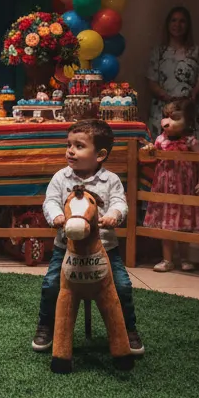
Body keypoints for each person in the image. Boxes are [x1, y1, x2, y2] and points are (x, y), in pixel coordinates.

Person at [31, 119, 143, 356]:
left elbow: (120, 204)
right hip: (66, 248)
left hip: (104, 248)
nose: (70, 150)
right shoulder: (61, 178)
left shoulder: (110, 180)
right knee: (51, 284)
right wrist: (57, 216)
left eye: (79, 146)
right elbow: (50, 201)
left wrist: (113, 215)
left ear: (100, 155)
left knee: (122, 286)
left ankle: (128, 329)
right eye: (69, 144)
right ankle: (46, 326)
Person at [142, 98, 199, 272]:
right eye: (166, 117)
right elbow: (152, 157)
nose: (168, 122)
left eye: (175, 117)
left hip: (183, 189)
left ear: (188, 121)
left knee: (183, 225)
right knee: (166, 225)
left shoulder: (190, 141)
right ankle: (167, 260)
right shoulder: (160, 139)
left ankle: (185, 258)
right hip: (163, 189)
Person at [146, 6, 199, 148]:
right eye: (174, 20)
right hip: (164, 109)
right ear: (168, 24)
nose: (177, 25)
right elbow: (151, 81)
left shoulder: (197, 51)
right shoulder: (158, 51)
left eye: (182, 21)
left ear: (188, 26)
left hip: (189, 109)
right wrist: (169, 99)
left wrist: (192, 95)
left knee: (192, 153)